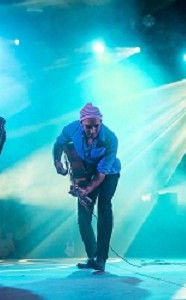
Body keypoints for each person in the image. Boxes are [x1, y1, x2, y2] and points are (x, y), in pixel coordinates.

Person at [53, 103, 121, 272]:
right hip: (86, 170)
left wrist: (87, 189)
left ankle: (102, 258)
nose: (92, 130)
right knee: (83, 215)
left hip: (108, 172)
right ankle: (92, 256)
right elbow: (58, 143)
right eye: (88, 126)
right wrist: (57, 162)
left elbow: (101, 175)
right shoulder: (71, 129)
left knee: (104, 206)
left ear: (101, 122)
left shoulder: (111, 139)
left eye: (96, 126)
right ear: (81, 123)